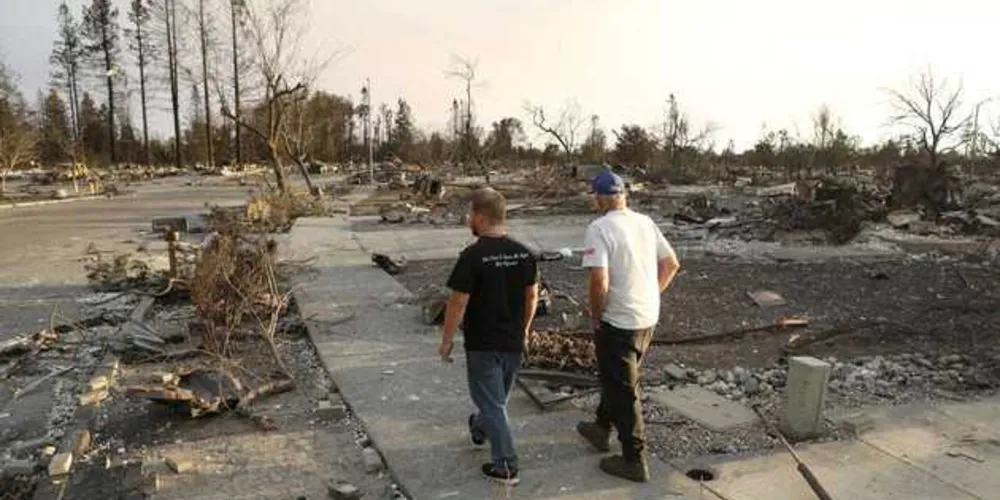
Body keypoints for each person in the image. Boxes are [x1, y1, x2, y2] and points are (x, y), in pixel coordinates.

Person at [576, 170, 680, 482]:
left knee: (625, 389)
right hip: (647, 316)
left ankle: (634, 459)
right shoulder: (644, 222)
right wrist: (651, 293)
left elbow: (599, 281)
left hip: (619, 321)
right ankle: (600, 427)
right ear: (624, 196)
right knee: (618, 377)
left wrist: (596, 316)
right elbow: (671, 263)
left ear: (599, 198)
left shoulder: (599, 228)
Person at [438, 187, 540, 487]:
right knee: (496, 400)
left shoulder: (472, 256)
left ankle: (506, 466)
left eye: (471, 214)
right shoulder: (524, 253)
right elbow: (532, 295)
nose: (469, 219)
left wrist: (446, 341)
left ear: (481, 218)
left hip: (482, 343)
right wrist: (525, 329)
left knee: (493, 402)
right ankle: (480, 428)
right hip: (511, 341)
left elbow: (458, 301)